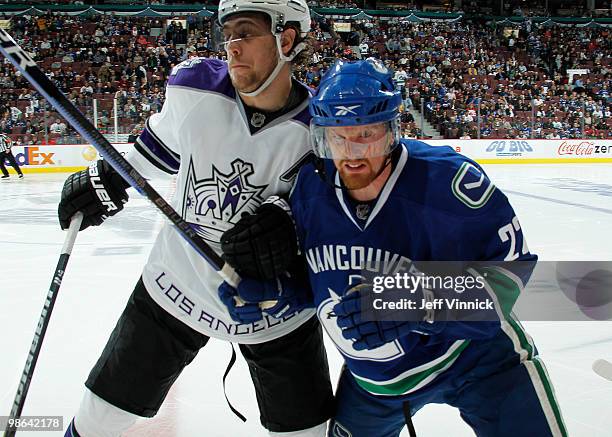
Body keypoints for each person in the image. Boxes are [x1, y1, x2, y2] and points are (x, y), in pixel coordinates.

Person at [221, 59, 568, 437]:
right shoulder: (310, 190)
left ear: (391, 130)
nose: (351, 153)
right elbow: (324, 282)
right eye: (338, 136)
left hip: (476, 362)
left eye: (366, 134)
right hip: (377, 387)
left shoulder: (449, 181)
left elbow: (508, 276)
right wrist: (280, 292)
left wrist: (416, 302)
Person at [57, 0, 334, 435]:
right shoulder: (194, 88)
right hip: (175, 287)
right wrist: (106, 178)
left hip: (274, 308)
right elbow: (153, 154)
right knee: (98, 419)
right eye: (227, 35)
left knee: (309, 433)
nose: (232, 47)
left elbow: (331, 220)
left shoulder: (323, 129)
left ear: (286, 39)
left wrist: (289, 230)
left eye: (245, 32)